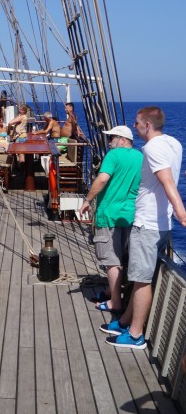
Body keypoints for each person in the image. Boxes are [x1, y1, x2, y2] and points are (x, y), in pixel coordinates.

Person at [103, 107, 186, 349]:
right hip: (161, 224)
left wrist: (181, 212)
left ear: (147, 125)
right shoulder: (174, 144)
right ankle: (127, 320)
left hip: (147, 224)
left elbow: (166, 180)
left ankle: (136, 334)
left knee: (140, 281)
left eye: (138, 123)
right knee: (141, 278)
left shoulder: (151, 148)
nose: (135, 126)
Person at [78, 125, 142, 314]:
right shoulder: (140, 157)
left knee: (112, 261)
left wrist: (87, 200)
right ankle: (110, 290)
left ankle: (115, 301)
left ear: (122, 140)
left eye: (111, 138)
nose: (108, 142)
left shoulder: (113, 156)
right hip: (129, 216)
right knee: (121, 257)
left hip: (109, 215)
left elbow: (103, 179)